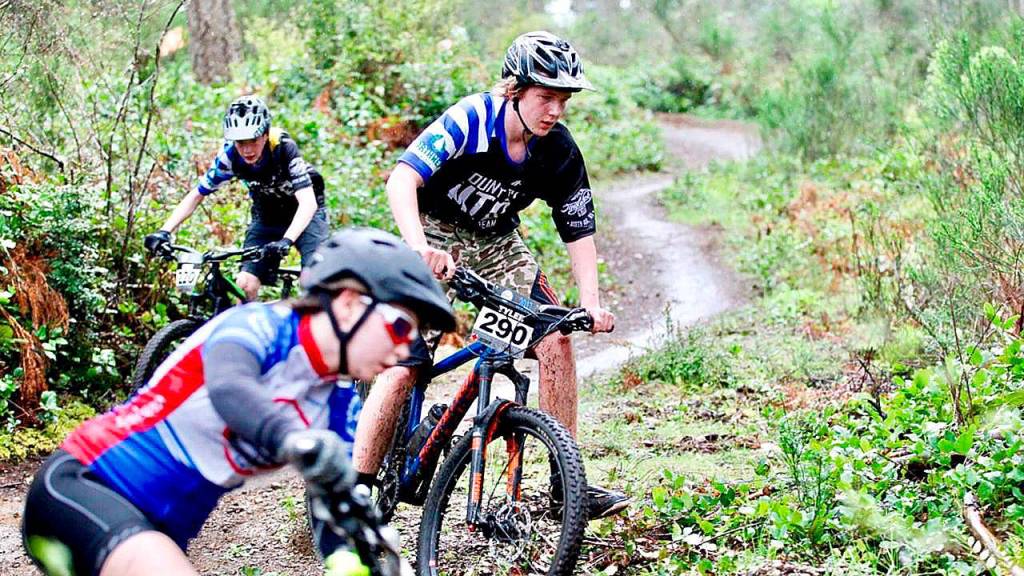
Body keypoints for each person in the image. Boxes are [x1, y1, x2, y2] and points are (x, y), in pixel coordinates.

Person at [21, 228, 455, 576]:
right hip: (84, 487)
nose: (405, 349)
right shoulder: (261, 325)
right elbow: (230, 388)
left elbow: (332, 511)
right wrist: (294, 438)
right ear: (347, 304)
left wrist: (352, 561)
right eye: (400, 327)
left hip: (162, 532)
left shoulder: (337, 404)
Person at [352, 30, 627, 518]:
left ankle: (567, 488)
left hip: (497, 243)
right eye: (546, 97)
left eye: (564, 100)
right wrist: (418, 247)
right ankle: (358, 488)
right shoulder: (472, 119)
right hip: (433, 233)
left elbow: (579, 230)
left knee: (556, 338)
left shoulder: (559, 150)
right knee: (402, 361)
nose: (555, 110)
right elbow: (403, 178)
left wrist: (590, 301)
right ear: (514, 89)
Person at [143, 95, 330, 301]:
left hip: (306, 213)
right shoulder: (230, 157)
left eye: (253, 140)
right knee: (245, 283)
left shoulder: (282, 147)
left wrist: (286, 240)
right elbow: (197, 194)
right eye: (241, 142)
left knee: (313, 280)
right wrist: (164, 231)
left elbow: (308, 203)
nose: (247, 150)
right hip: (267, 215)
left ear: (266, 135)